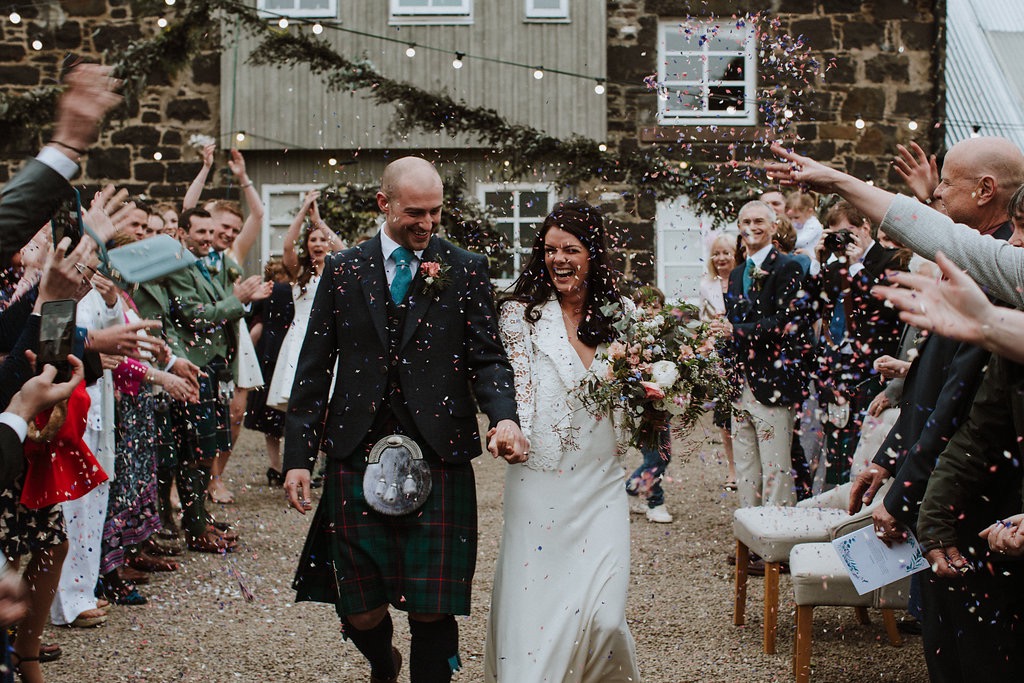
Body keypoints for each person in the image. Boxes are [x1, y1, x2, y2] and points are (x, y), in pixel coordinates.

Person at [282, 157, 527, 683]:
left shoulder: (464, 268)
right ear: (383, 204)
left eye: (435, 212)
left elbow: (488, 358)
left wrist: (504, 417)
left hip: (439, 449)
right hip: (355, 448)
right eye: (414, 212)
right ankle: (382, 661)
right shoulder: (345, 269)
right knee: (359, 606)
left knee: (431, 603)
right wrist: (297, 458)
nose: (427, 223)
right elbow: (314, 367)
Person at [485, 198, 641, 682]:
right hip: (539, 483)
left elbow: (638, 401)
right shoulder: (521, 315)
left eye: (570, 249)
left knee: (607, 618)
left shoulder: (625, 314)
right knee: (535, 619)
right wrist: (509, 429)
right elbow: (517, 386)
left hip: (601, 485)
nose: (558, 260)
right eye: (550, 250)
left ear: (592, 253)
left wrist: (662, 395)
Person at [162, 208, 270, 552]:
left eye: (212, 232)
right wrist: (237, 301)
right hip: (192, 368)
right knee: (192, 448)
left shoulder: (210, 263)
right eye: (201, 232)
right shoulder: (178, 266)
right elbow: (194, 316)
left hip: (215, 367)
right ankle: (189, 525)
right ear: (182, 233)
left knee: (208, 447)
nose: (209, 238)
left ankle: (198, 516)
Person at [711, 200, 809, 510]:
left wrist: (734, 332)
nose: (752, 227)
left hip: (774, 383)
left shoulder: (788, 266)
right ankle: (749, 544)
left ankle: (774, 549)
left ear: (774, 226)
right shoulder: (738, 272)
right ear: (739, 227)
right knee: (746, 471)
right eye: (746, 221)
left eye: (759, 221)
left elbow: (783, 324)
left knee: (776, 471)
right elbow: (734, 322)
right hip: (740, 383)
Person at [266, 190, 344, 412]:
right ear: (307, 244)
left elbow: (345, 250)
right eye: (313, 240)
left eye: (322, 240)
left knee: (329, 399)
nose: (318, 244)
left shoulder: (337, 269)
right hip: (300, 335)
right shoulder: (299, 270)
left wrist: (318, 221)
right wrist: (303, 211)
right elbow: (287, 246)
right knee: (299, 400)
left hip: (329, 335)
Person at [243, 259, 294, 487]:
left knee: (269, 413)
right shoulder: (292, 290)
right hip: (290, 351)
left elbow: (256, 326)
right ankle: (291, 467)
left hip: (268, 352)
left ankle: (274, 466)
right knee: (291, 414)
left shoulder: (267, 294)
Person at [625, 285, 673, 523]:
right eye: (646, 307)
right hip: (641, 407)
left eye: (657, 307)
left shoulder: (668, 337)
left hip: (664, 407)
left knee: (660, 456)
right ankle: (654, 502)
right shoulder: (632, 337)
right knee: (658, 457)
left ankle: (633, 489)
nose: (652, 312)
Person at [699, 233, 738, 490]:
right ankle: (733, 469)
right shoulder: (706, 284)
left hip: (743, 349)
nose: (721, 258)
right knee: (725, 416)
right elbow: (703, 320)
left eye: (726, 252)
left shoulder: (744, 279)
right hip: (721, 353)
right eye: (716, 253)